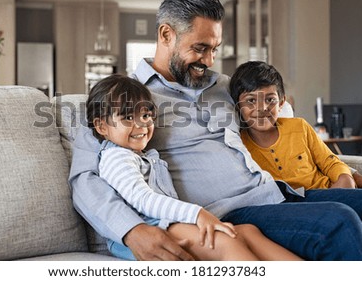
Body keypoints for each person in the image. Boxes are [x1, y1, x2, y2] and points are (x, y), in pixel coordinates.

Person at [70, 0, 362, 261]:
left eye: (214, 49)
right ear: (166, 35)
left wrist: (344, 171)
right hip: (226, 212)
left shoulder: (227, 87)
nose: (209, 60)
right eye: (200, 48)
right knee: (338, 222)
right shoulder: (121, 99)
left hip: (280, 193)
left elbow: (284, 125)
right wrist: (131, 230)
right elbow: (84, 179)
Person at [85, 74, 301, 261]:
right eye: (128, 117)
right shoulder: (116, 158)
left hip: (167, 222)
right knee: (226, 242)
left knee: (248, 232)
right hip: (148, 229)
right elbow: (144, 200)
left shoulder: (138, 154)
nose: (141, 125)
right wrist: (197, 214)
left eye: (145, 116)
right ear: (102, 126)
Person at [229, 60, 362, 191]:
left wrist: (344, 177)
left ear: (281, 103)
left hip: (330, 190)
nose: (262, 108)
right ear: (237, 106)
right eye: (251, 101)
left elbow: (330, 161)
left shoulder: (299, 127)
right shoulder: (238, 144)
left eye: (270, 100)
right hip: (300, 205)